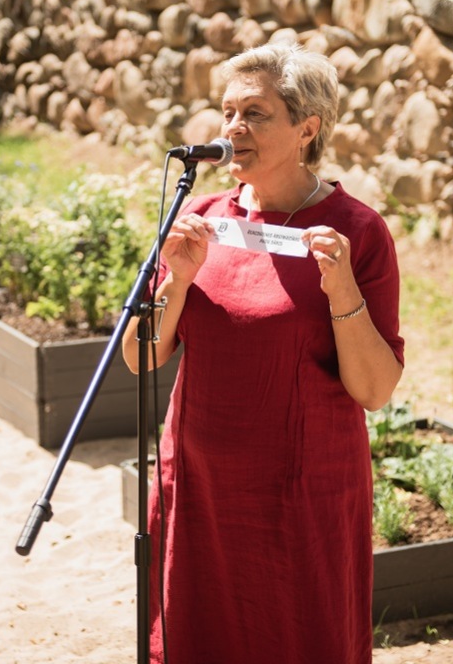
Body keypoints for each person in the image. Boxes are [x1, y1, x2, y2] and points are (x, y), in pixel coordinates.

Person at [122, 42, 406, 664]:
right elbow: (140, 359)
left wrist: (343, 291)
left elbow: (375, 390)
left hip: (300, 494)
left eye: (255, 113)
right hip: (197, 485)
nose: (232, 128)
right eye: (227, 112)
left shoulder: (357, 231)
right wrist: (178, 279)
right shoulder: (199, 216)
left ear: (307, 128)